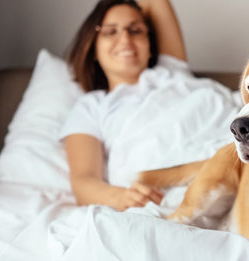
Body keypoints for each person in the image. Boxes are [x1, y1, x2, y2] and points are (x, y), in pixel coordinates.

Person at [61, 0, 187, 211]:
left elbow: (156, 3)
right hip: (161, 196)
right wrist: (122, 197)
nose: (125, 39)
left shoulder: (173, 74)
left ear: (149, 46)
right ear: (93, 48)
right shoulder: (91, 106)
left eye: (136, 30)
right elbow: (83, 181)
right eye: (110, 32)